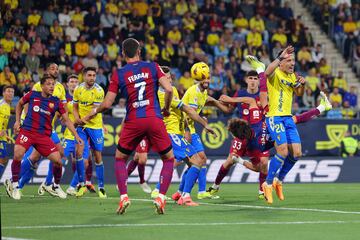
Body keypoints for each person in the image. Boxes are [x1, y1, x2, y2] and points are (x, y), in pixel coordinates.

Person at [84, 38, 175, 215]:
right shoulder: (153, 67)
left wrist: (91, 113)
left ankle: (124, 197)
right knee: (169, 159)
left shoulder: (119, 73)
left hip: (133, 120)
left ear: (123, 54)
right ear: (139, 51)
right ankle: (161, 197)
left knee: (119, 158)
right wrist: (166, 108)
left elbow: (107, 103)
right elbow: (169, 90)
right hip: (154, 118)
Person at [4, 74, 83, 200]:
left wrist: (76, 135)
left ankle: (55, 186)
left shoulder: (56, 101)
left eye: (53, 84)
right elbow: (19, 104)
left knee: (58, 160)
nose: (51, 86)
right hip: (28, 132)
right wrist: (17, 121)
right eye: (48, 84)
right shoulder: (33, 94)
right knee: (18, 154)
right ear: (42, 86)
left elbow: (67, 120)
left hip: (43, 136)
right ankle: (14, 185)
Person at [149, 65, 216, 206]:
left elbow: (182, 115)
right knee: (196, 161)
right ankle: (183, 196)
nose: (170, 80)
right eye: (166, 78)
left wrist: (185, 128)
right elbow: (188, 110)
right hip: (170, 133)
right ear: (159, 81)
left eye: (170, 77)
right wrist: (205, 125)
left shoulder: (172, 90)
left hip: (177, 133)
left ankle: (178, 193)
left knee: (189, 161)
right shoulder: (163, 95)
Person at [247, 48, 307, 204]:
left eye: (293, 61)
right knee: (282, 150)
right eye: (289, 60)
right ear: (281, 63)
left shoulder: (292, 76)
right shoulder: (275, 73)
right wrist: (280, 57)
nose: (292, 63)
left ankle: (278, 181)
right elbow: (266, 72)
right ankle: (267, 183)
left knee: (297, 153)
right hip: (274, 117)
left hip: (288, 118)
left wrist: (302, 85)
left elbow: (299, 94)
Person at [17, 63, 68, 196]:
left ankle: (48, 183)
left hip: (48, 126)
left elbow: (62, 106)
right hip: (33, 126)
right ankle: (17, 184)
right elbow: (28, 103)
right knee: (34, 157)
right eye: (52, 68)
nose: (55, 70)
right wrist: (23, 121)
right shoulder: (39, 86)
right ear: (47, 71)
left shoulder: (60, 87)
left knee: (60, 153)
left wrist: (63, 117)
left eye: (57, 69)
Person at [73, 67, 106, 198]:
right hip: (82, 127)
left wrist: (82, 119)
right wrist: (76, 118)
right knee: (78, 153)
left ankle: (101, 187)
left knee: (97, 156)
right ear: (84, 76)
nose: (92, 78)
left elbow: (94, 111)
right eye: (89, 75)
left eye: (94, 75)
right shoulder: (78, 89)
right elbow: (75, 106)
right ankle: (81, 185)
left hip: (95, 126)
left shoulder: (99, 91)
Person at [62, 75, 92, 196]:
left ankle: (72, 186)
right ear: (67, 84)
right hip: (69, 134)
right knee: (58, 159)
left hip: (82, 134)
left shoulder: (83, 97)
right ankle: (50, 183)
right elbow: (60, 116)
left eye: (76, 82)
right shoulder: (64, 99)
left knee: (84, 162)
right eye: (71, 82)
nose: (74, 84)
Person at [0, 86, 14, 176]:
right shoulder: (1, 104)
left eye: (12, 92)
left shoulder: (8, 106)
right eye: (8, 91)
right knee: (2, 158)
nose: (10, 93)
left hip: (3, 137)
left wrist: (6, 135)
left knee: (3, 159)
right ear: (3, 93)